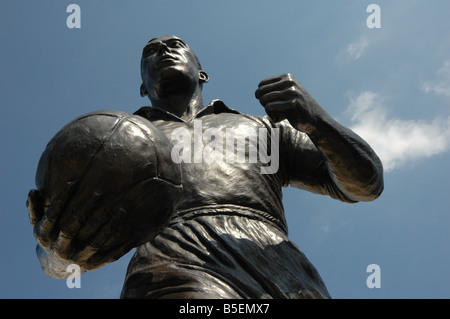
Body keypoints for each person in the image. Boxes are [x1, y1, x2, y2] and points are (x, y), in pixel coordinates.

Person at [27, 35, 384, 298]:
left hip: (278, 265)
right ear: (142, 86)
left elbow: (366, 184)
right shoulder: (118, 146)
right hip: (169, 264)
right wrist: (58, 252)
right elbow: (58, 257)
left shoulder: (261, 127)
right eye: (150, 51)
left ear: (203, 74)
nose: (163, 50)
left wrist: (319, 121)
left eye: (175, 44)